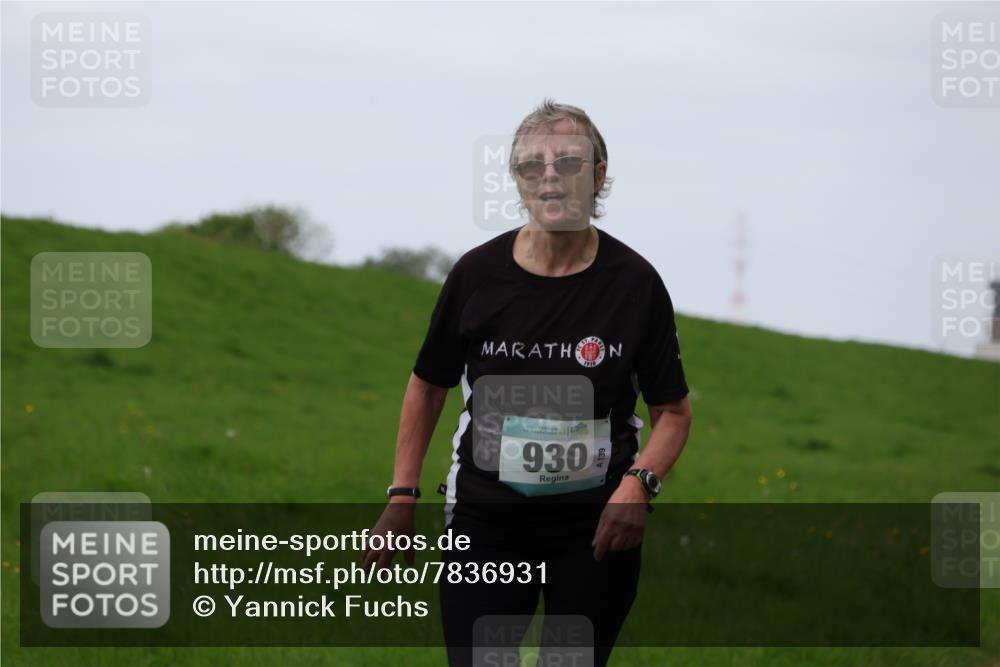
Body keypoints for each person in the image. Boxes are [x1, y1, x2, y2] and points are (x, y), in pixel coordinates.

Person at [363, 99, 692, 666]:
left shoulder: (635, 285)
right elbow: (427, 386)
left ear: (599, 174)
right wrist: (401, 495)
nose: (549, 175)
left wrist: (639, 486)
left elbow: (674, 412)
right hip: (486, 521)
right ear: (516, 180)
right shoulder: (476, 276)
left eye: (567, 161)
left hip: (595, 526)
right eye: (529, 165)